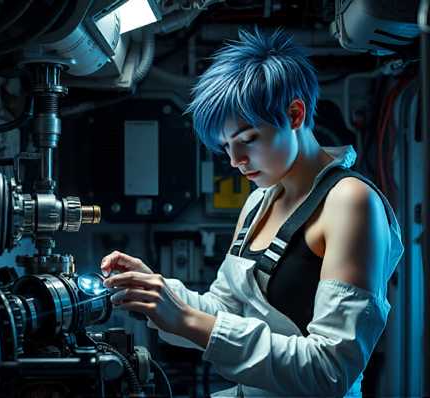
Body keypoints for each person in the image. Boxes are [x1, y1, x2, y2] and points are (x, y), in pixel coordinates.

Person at [100, 27, 404, 397]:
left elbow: (330, 372)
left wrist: (184, 318)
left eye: (247, 140)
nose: (235, 161)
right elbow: (224, 308)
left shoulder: (350, 202)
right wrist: (156, 292)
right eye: (226, 145)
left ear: (294, 114)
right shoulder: (260, 200)